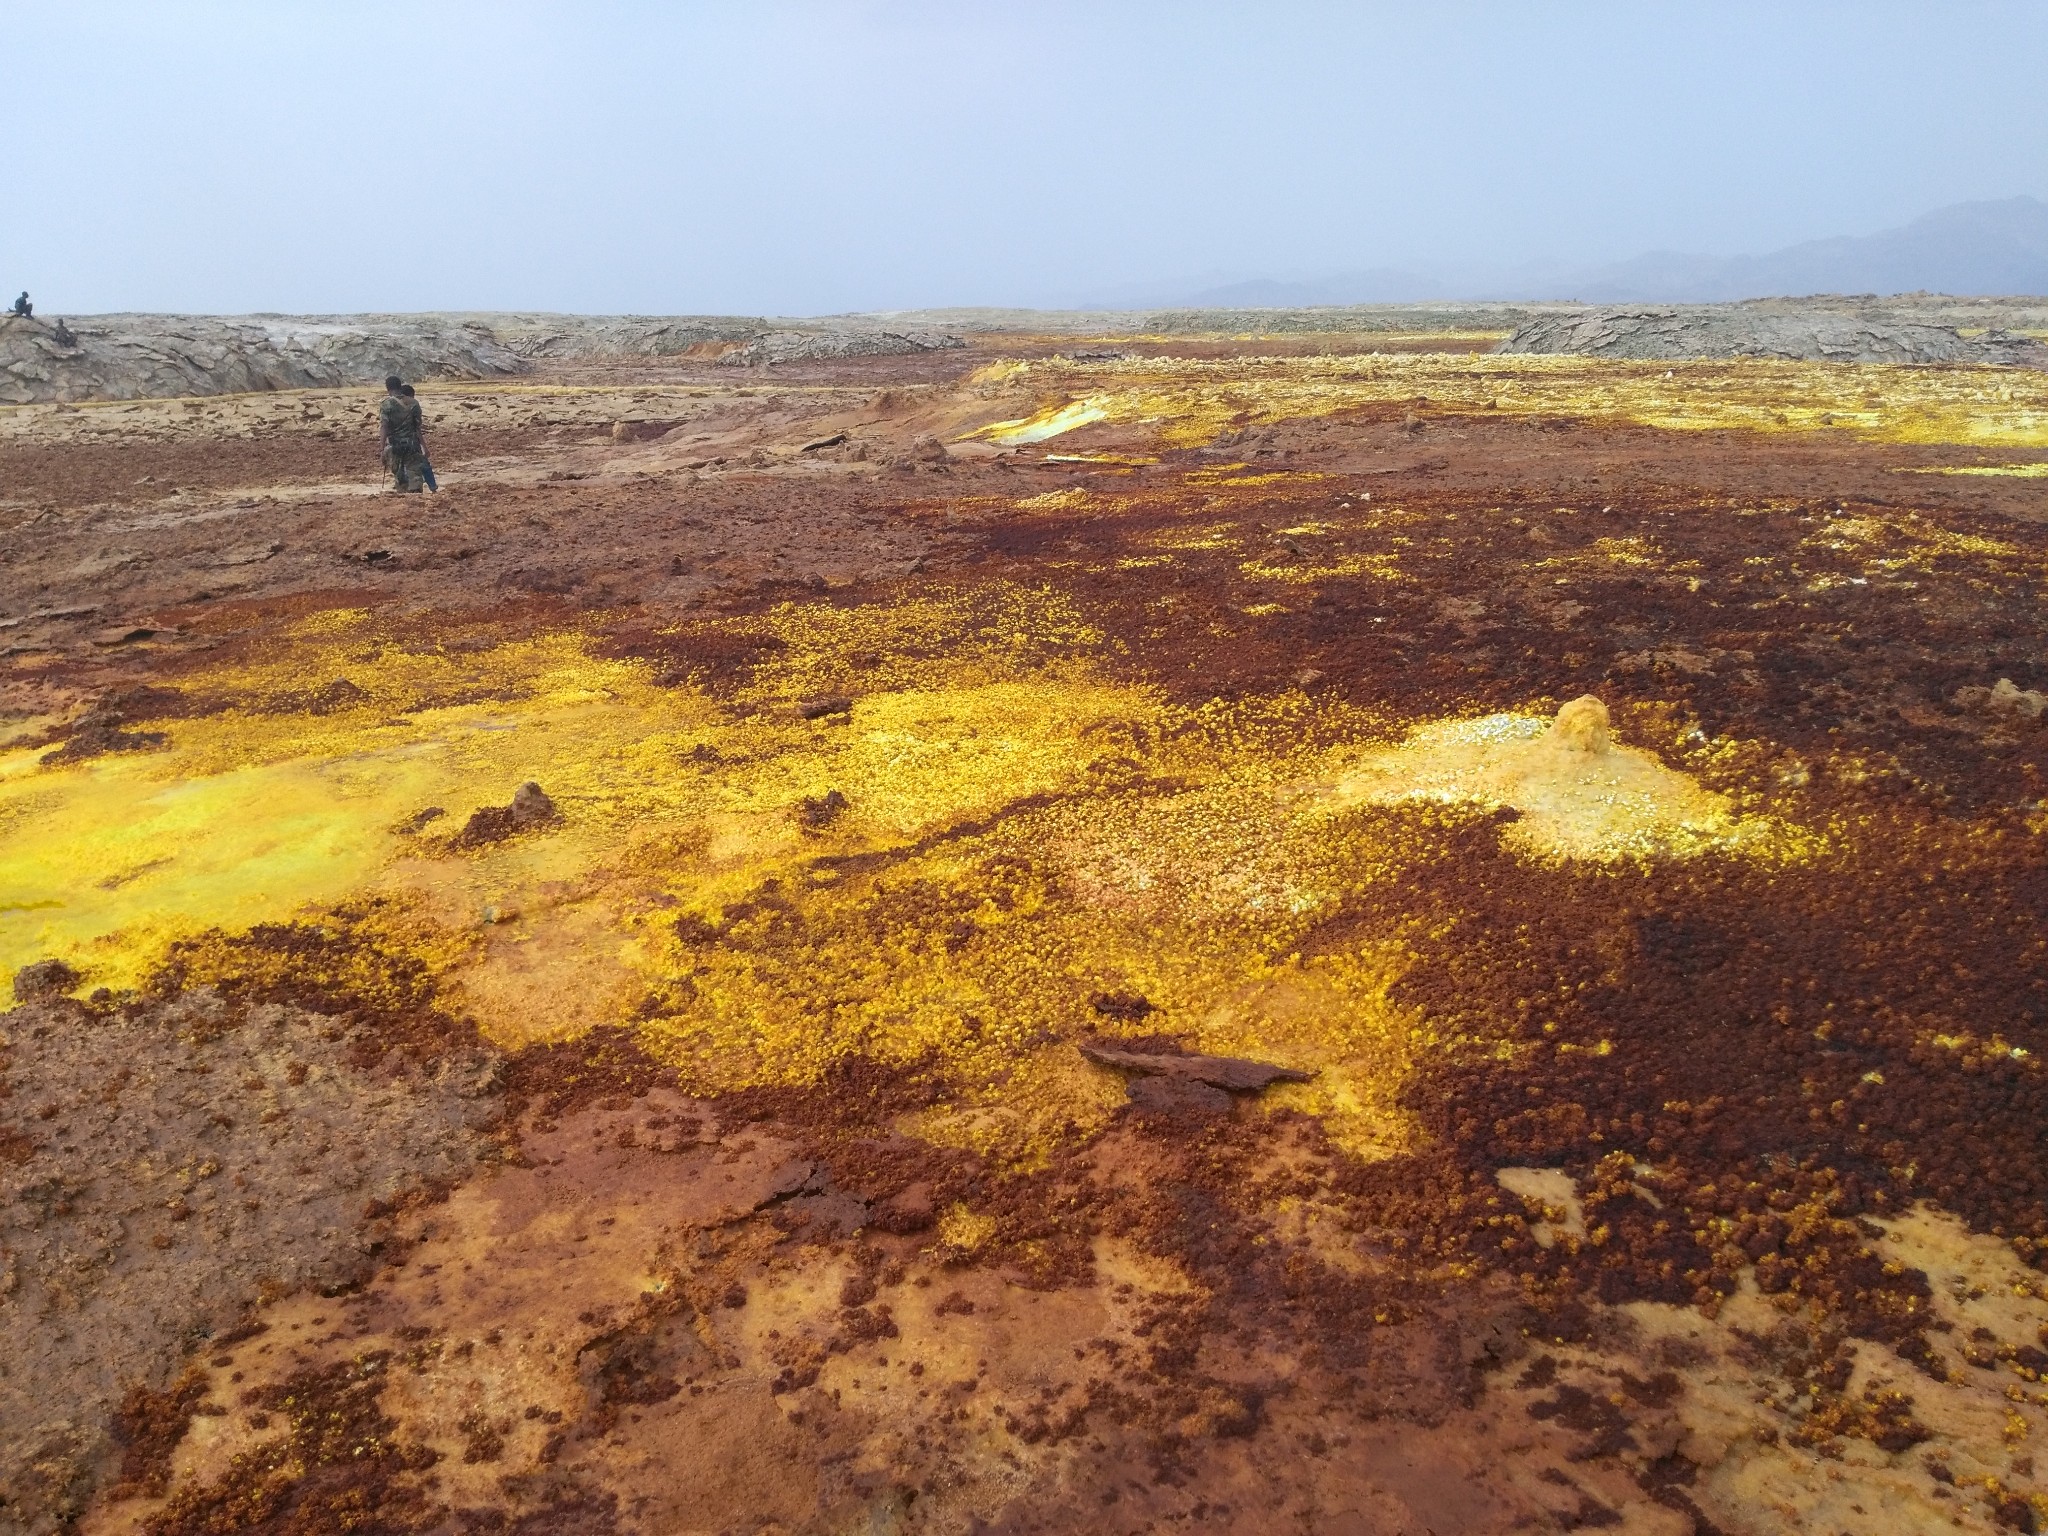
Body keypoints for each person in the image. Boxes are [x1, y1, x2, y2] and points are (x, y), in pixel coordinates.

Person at [377, 374, 427, 492]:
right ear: (400, 386)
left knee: (399, 477)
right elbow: (417, 426)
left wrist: (381, 448)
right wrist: (424, 446)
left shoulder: (386, 405)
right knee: (415, 474)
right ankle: (416, 498)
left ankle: (403, 499)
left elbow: (384, 426)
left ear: (388, 388)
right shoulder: (414, 403)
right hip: (412, 445)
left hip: (395, 446)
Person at [399, 383, 436, 491]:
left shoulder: (393, 408)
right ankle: (432, 485)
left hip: (396, 443)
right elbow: (417, 429)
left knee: (403, 466)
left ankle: (404, 487)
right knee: (423, 464)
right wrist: (425, 447)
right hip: (412, 443)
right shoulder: (412, 407)